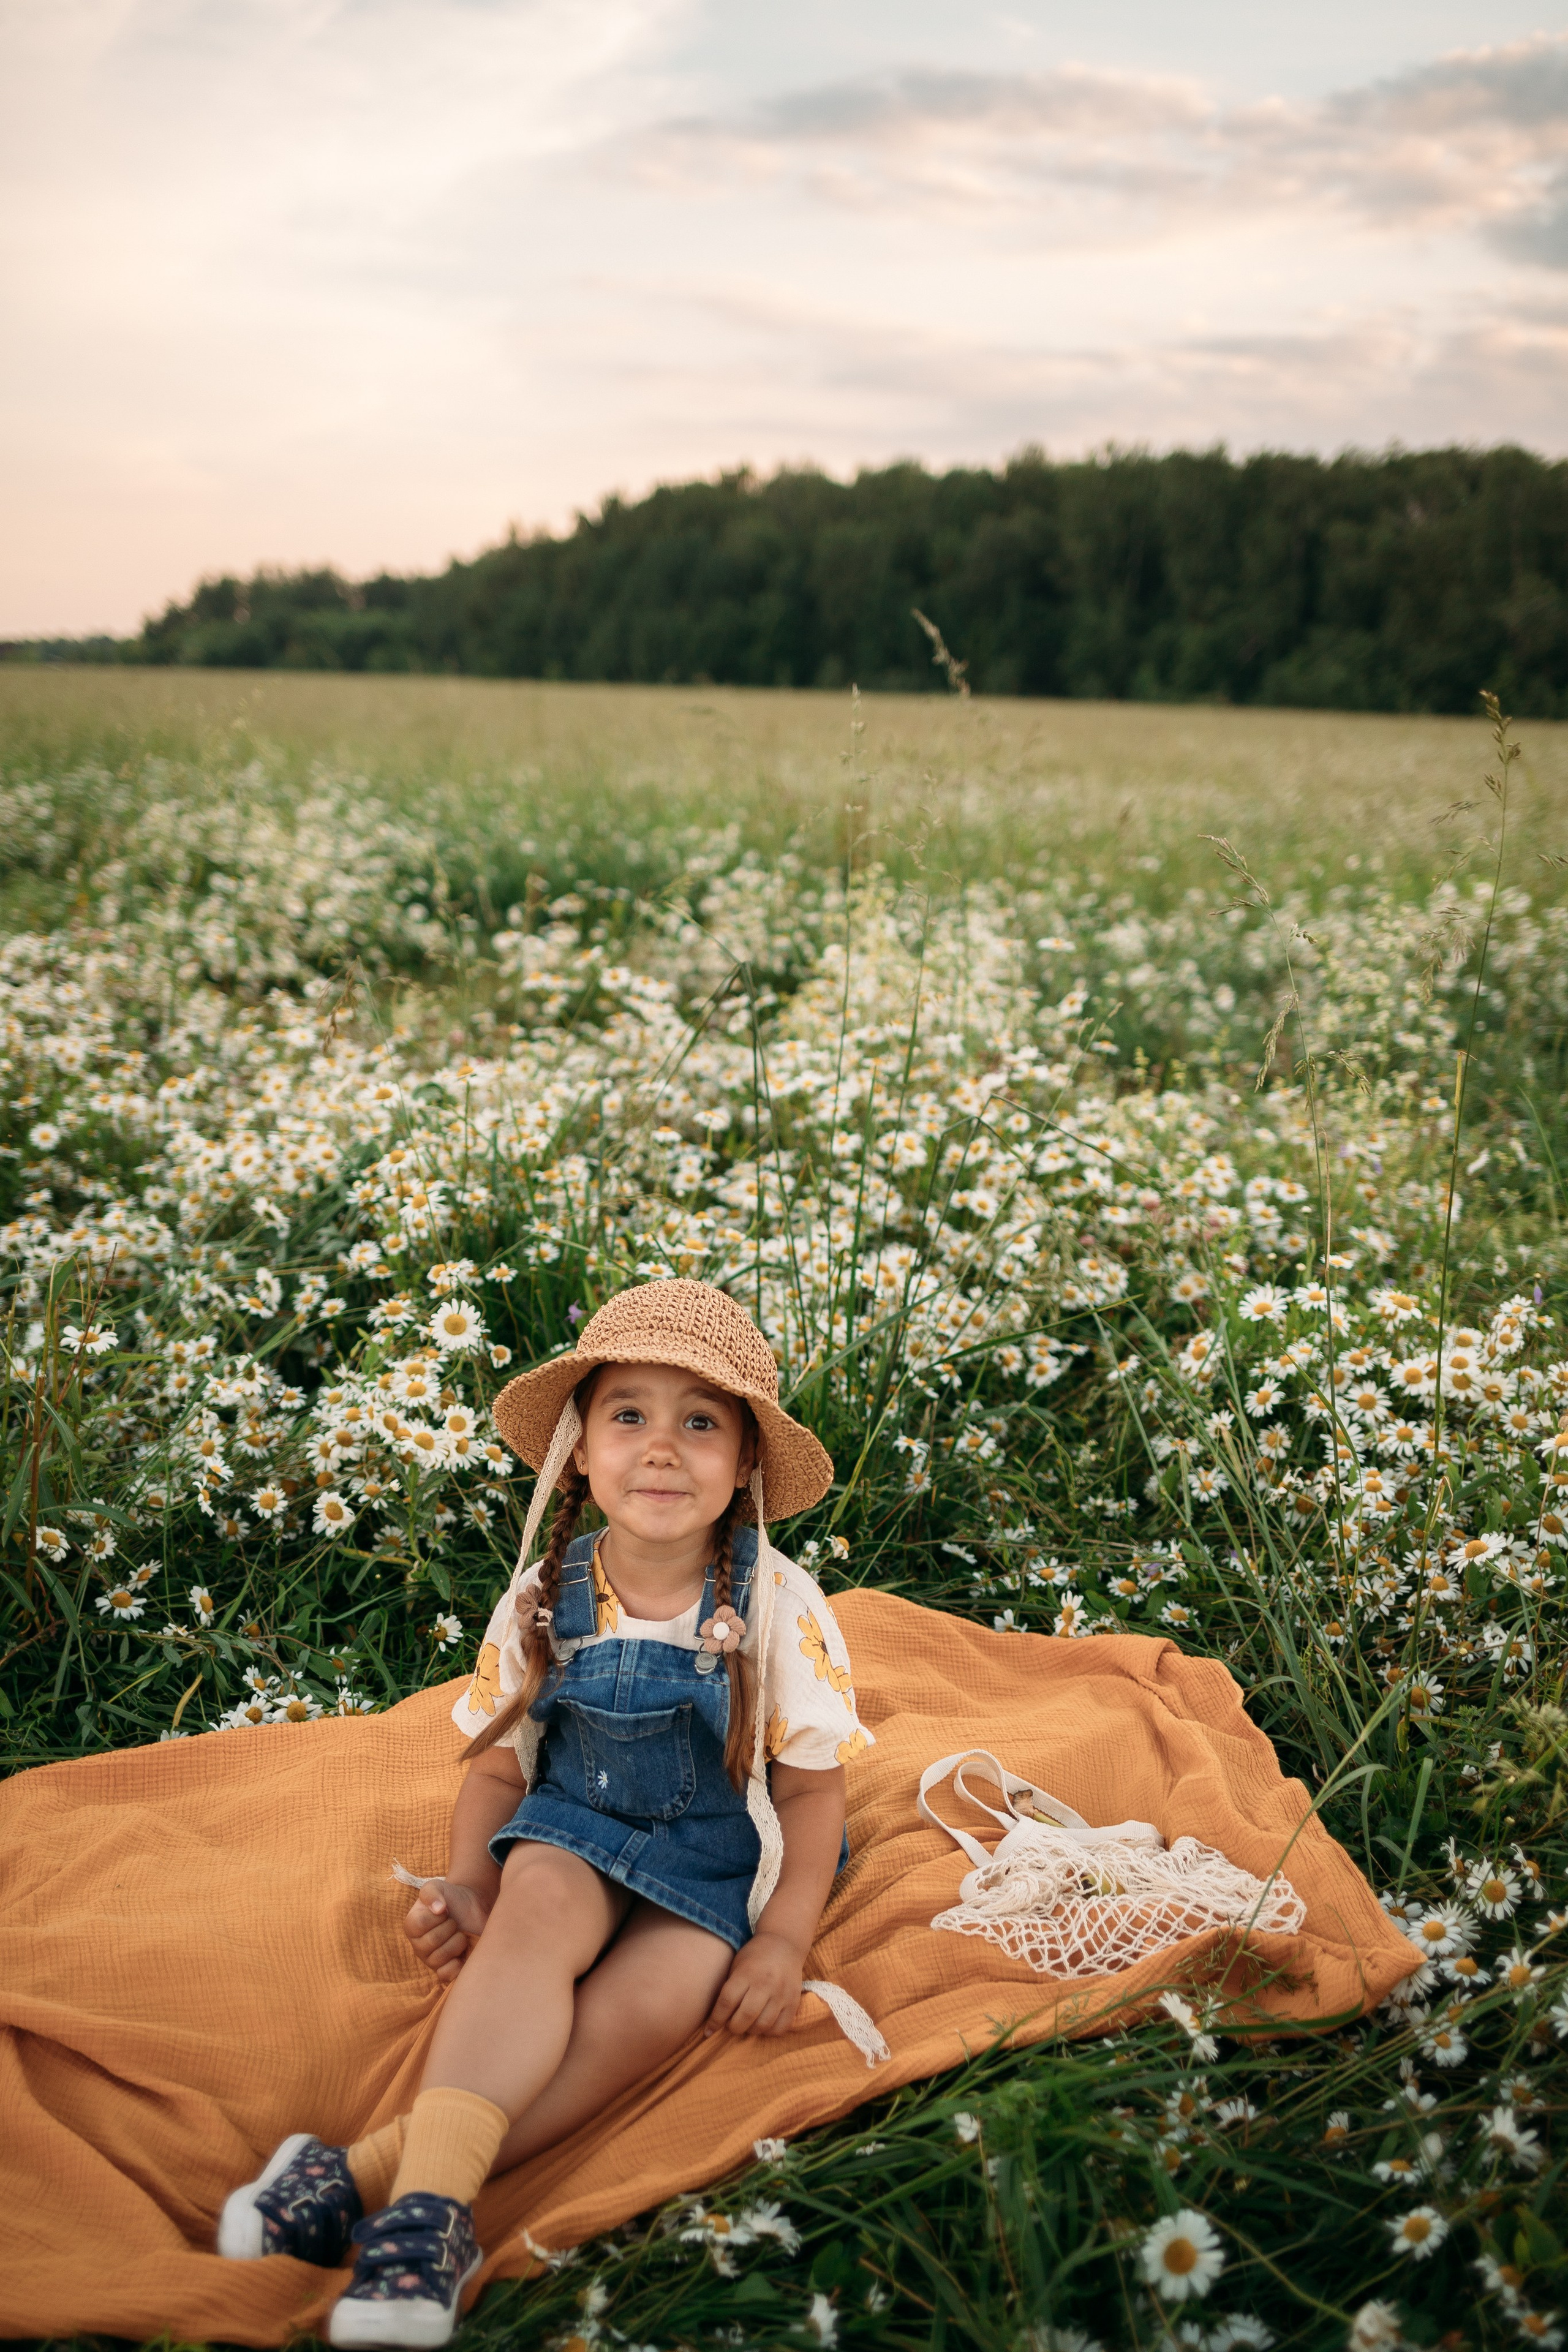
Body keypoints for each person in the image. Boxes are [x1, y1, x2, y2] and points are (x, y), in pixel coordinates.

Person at [217, 1279, 872, 2349]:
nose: (662, 1448)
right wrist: (470, 1888)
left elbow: (809, 1789)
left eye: (701, 1421)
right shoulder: (542, 1594)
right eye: (630, 1414)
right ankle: (432, 2224)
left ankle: (374, 2174)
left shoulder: (774, 1605)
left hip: (719, 1851)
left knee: (656, 2007)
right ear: (578, 1448)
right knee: (530, 1922)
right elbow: (495, 1770)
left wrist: (787, 1937)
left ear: (747, 1461)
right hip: (574, 1821)